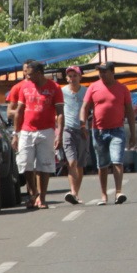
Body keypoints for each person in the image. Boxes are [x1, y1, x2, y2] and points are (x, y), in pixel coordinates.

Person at [80, 62, 136, 205]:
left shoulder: (122, 89)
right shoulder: (93, 87)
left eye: (105, 71)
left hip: (117, 130)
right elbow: (85, 107)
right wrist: (82, 123)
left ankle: (118, 192)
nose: (102, 74)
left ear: (112, 72)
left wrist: (133, 133)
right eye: (100, 72)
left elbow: (129, 111)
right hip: (98, 131)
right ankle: (104, 195)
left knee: (117, 160)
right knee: (102, 164)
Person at [12, 61, 64, 210]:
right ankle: (32, 194)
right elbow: (19, 111)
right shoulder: (25, 87)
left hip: (46, 131)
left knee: (45, 165)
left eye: (30, 74)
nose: (27, 77)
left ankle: (42, 198)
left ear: (39, 73)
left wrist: (59, 134)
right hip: (26, 131)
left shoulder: (54, 88)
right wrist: (16, 134)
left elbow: (60, 113)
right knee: (25, 163)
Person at [6, 59, 37, 203]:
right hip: (23, 130)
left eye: (30, 70)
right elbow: (9, 112)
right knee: (27, 164)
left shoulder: (42, 86)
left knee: (41, 164)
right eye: (25, 70)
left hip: (42, 129)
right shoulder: (17, 88)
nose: (27, 73)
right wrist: (23, 111)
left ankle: (39, 194)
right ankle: (32, 193)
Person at [62, 65, 89, 205]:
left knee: (80, 164)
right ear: (66, 78)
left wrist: (86, 125)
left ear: (80, 77)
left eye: (75, 76)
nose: (72, 79)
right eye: (70, 76)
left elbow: (92, 109)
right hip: (68, 130)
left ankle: (76, 194)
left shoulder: (86, 91)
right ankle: (72, 192)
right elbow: (58, 111)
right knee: (71, 162)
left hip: (83, 130)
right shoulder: (62, 92)